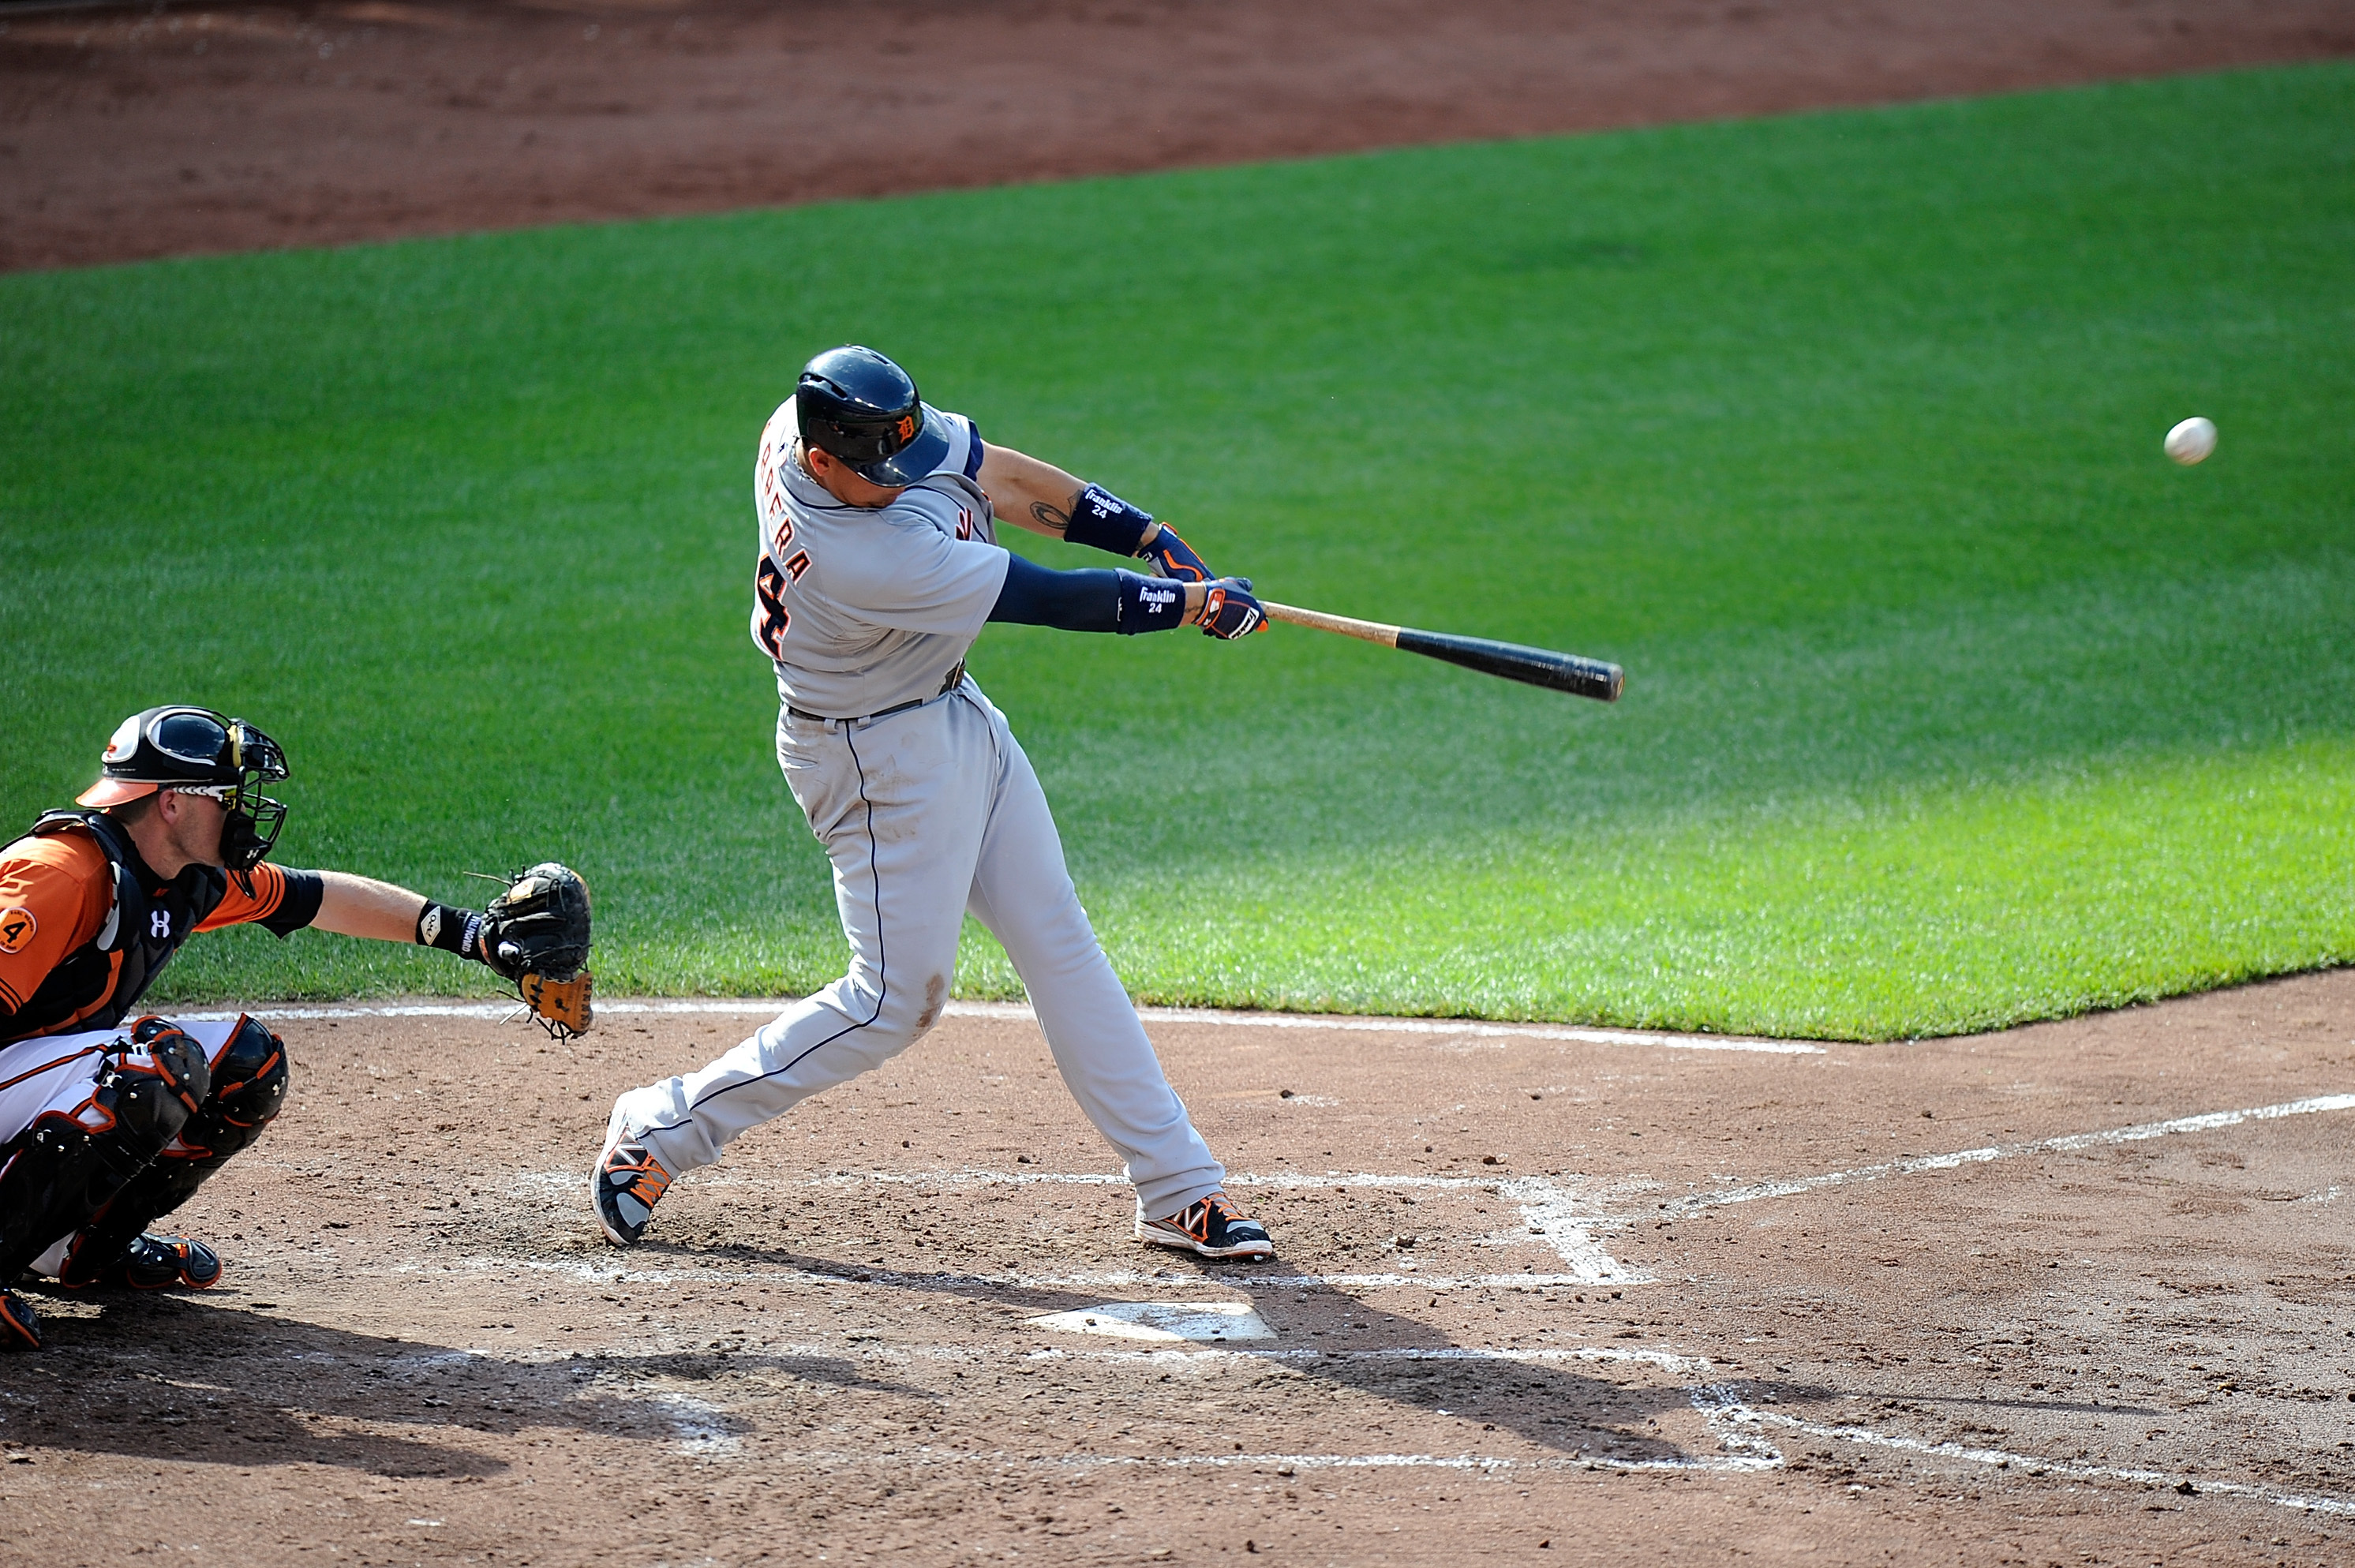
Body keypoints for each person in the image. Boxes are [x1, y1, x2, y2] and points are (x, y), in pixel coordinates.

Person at [595, 345, 1277, 1261]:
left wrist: (1147, 535)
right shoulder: (861, 557)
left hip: (949, 714)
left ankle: (1174, 1188)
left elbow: (995, 475)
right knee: (890, 1004)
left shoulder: (811, 427)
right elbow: (1054, 600)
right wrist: (1187, 604)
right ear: (824, 464)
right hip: (876, 764)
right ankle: (660, 1129)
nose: (901, 477)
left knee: (1056, 938)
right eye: (880, 471)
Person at [0, 705, 590, 1349]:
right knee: (154, 1068)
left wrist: (473, 936)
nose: (243, 812)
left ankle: (80, 1247)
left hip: (24, 1085)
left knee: (247, 1063)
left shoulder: (183, 878)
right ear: (171, 803)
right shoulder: (60, 873)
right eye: (227, 795)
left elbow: (318, 896)